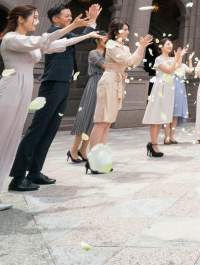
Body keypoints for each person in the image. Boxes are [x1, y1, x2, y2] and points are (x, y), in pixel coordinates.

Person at [0, 5, 99, 211]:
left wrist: (82, 34)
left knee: (9, 141)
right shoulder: (11, 39)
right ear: (20, 19)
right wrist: (73, 25)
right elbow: (40, 40)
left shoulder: (30, 43)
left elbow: (60, 43)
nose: (36, 21)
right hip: (9, 90)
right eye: (34, 18)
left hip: (23, 91)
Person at [8, 2, 100, 191]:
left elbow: (81, 38)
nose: (70, 18)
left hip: (63, 84)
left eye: (70, 15)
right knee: (37, 129)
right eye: (66, 16)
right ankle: (18, 176)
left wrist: (93, 22)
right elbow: (81, 39)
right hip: (52, 85)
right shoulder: (54, 32)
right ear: (55, 19)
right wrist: (87, 25)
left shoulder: (65, 32)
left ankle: (34, 172)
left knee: (50, 130)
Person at [87, 20, 152, 172]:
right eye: (124, 29)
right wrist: (141, 46)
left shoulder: (124, 47)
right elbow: (126, 61)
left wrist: (141, 48)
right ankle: (93, 160)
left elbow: (134, 63)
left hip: (118, 82)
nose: (127, 32)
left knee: (108, 121)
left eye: (128, 29)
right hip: (109, 81)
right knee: (101, 120)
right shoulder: (111, 45)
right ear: (116, 32)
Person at [68, 34, 107, 163]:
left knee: (95, 119)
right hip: (95, 83)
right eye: (104, 37)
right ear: (97, 40)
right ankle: (73, 149)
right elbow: (105, 65)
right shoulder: (93, 53)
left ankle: (83, 150)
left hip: (106, 85)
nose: (107, 39)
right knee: (85, 116)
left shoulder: (109, 52)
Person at [142, 39, 178, 157]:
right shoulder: (159, 59)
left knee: (160, 118)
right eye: (168, 44)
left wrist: (178, 57)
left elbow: (177, 69)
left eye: (171, 44)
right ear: (161, 47)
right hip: (160, 88)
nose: (170, 45)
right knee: (155, 116)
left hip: (168, 89)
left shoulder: (172, 59)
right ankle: (153, 144)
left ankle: (153, 143)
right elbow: (169, 70)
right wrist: (176, 58)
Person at [166, 47, 193, 144]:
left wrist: (190, 59)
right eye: (177, 54)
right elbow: (177, 66)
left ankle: (172, 137)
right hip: (172, 87)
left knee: (175, 114)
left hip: (181, 88)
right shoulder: (171, 62)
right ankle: (166, 137)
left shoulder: (183, 65)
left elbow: (190, 70)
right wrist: (179, 57)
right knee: (169, 113)